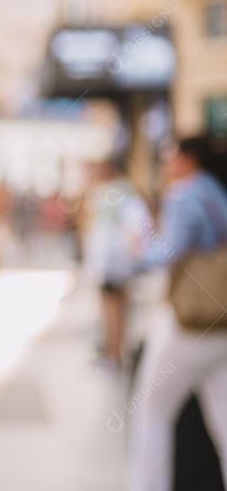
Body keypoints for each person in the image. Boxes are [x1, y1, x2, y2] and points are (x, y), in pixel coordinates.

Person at [126, 136, 227, 491]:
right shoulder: (214, 191)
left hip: (190, 322)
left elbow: (168, 253)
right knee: (223, 417)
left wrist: (141, 249)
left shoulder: (183, 195)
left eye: (171, 156)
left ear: (187, 158)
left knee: (150, 412)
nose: (167, 164)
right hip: (221, 321)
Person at [78, 154, 150, 370]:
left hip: (113, 262)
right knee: (114, 307)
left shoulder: (116, 193)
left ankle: (114, 353)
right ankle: (113, 351)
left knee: (113, 307)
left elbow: (133, 228)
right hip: (113, 262)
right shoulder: (121, 191)